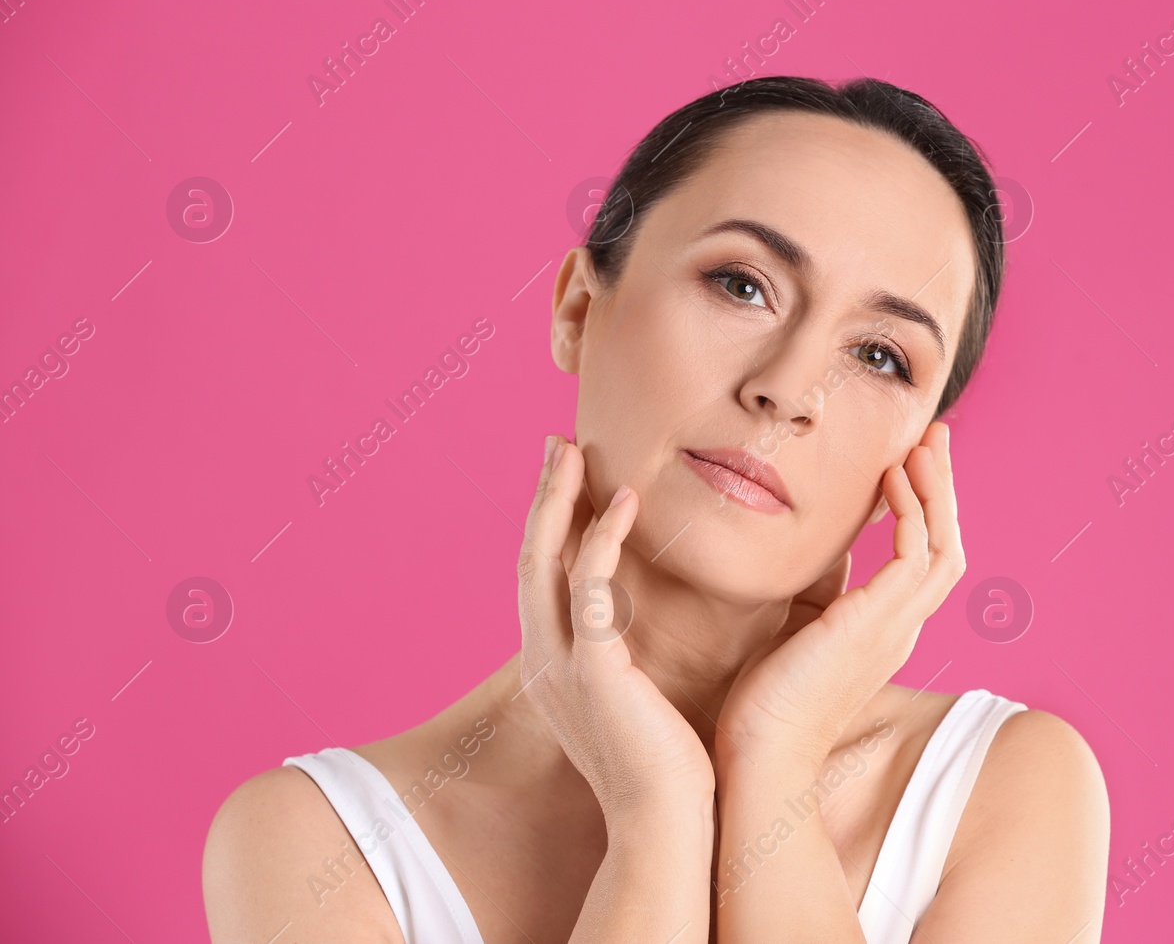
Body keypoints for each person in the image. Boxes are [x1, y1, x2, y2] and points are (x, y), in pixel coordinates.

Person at [201, 76, 1110, 943]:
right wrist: (657, 813)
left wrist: (775, 758)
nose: (791, 389)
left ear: (916, 457)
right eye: (743, 285)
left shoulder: (1005, 787)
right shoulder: (321, 846)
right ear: (578, 306)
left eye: (880, 356)